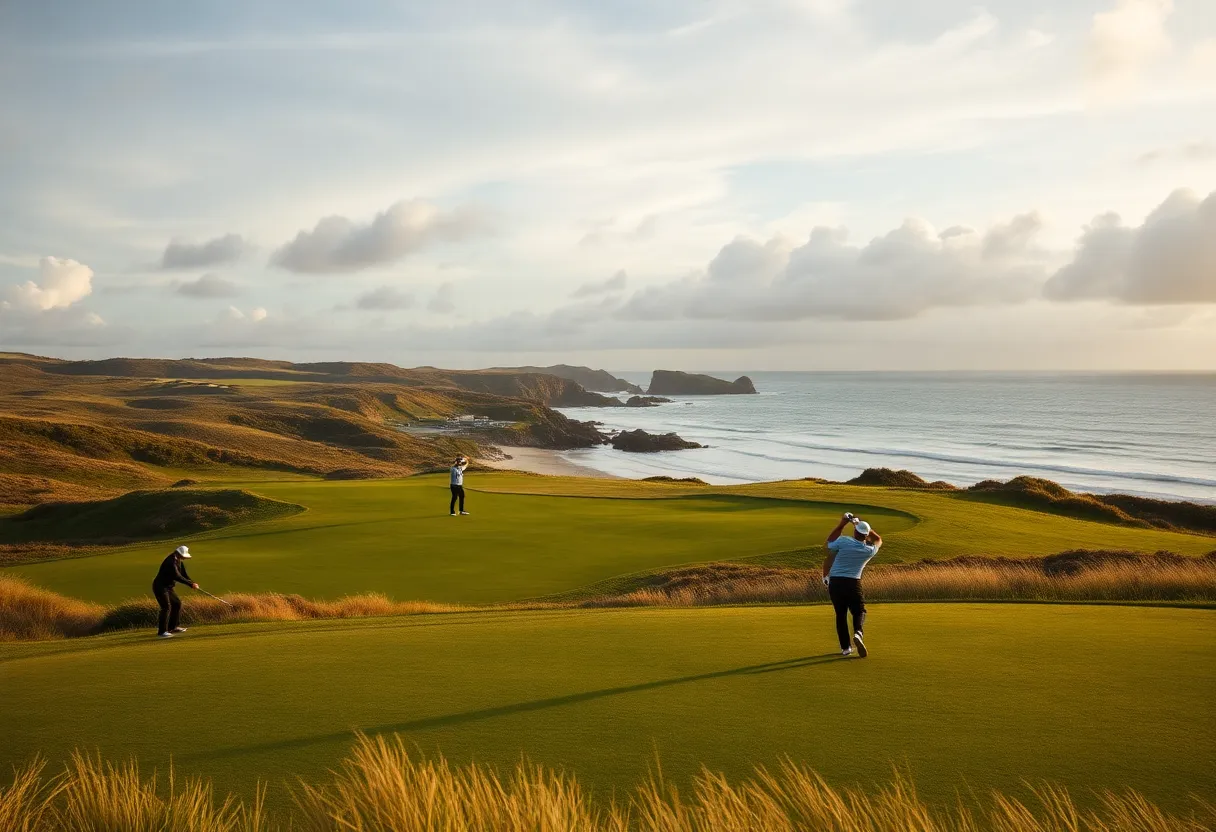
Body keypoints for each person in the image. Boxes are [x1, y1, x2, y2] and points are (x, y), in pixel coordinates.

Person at [822, 512, 882, 657]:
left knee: (840, 615)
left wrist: (843, 523)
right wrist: (858, 523)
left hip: (835, 582)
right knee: (859, 611)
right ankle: (858, 632)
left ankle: (846, 648)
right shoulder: (869, 550)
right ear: (866, 535)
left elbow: (829, 542)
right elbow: (878, 539)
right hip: (853, 582)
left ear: (855, 532)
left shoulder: (844, 542)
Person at [152, 545, 199, 638]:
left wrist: (192, 582)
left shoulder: (178, 560)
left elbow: (183, 574)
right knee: (166, 607)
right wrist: (190, 584)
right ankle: (162, 632)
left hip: (168, 587)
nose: (185, 558)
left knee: (177, 603)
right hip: (160, 587)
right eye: (184, 556)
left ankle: (173, 627)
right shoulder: (171, 562)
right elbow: (177, 576)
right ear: (180, 554)